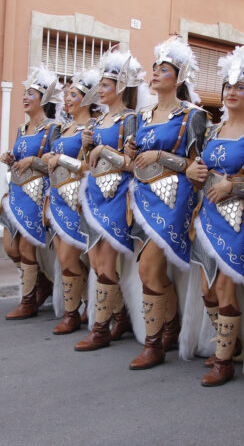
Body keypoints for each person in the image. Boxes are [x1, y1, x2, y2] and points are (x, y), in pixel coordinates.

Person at [186, 46, 244, 386]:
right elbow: (199, 171)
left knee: (224, 287)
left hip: (238, 219)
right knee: (207, 290)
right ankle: (229, 344)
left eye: (240, 88)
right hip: (206, 218)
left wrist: (234, 185)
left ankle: (224, 361)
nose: (232, 93)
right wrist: (193, 170)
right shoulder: (211, 132)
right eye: (228, 87)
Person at [127, 36, 207, 370]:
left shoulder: (192, 116)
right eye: (155, 67)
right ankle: (168, 327)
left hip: (174, 199)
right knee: (149, 271)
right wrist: (133, 156)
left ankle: (153, 344)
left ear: (178, 77)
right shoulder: (141, 115)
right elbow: (134, 159)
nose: (156, 73)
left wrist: (161, 156)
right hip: (141, 196)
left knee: (149, 268)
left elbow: (195, 167)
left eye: (164, 69)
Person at [74, 49, 143, 351]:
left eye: (105, 85)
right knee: (94, 258)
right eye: (100, 85)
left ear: (120, 88)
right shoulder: (97, 121)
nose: (100, 90)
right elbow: (87, 164)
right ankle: (120, 316)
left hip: (117, 194)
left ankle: (100, 329)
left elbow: (133, 164)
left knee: (105, 260)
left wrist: (103, 152)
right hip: (93, 193)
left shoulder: (131, 119)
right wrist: (88, 148)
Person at [41, 68, 101, 334]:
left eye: (73, 95)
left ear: (87, 99)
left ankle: (74, 313)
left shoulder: (93, 128)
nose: (67, 100)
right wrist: (47, 160)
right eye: (66, 95)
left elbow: (91, 166)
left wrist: (59, 160)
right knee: (65, 259)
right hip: (56, 196)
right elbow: (51, 159)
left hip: (76, 198)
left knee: (70, 257)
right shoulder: (64, 128)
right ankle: (79, 308)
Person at [0, 65, 62, 318]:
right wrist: (10, 157)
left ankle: (27, 302)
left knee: (26, 248)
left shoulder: (53, 128)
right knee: (10, 248)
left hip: (38, 194)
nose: (25, 98)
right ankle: (42, 284)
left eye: (31, 94)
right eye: (24, 93)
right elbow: (21, 156)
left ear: (44, 100)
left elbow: (54, 161)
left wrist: (33, 162)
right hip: (16, 191)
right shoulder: (20, 129)